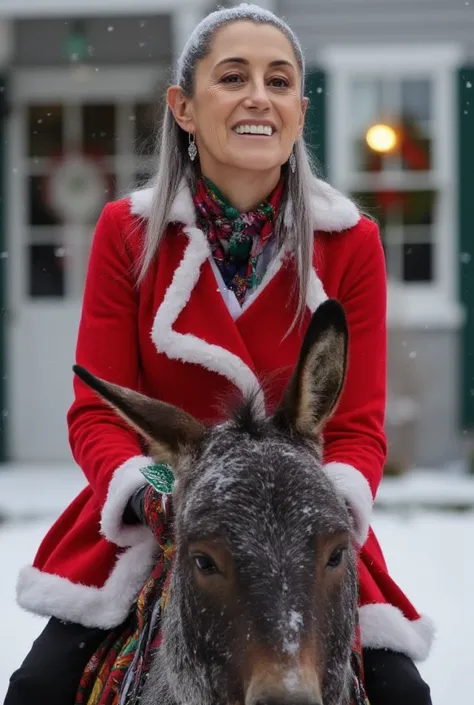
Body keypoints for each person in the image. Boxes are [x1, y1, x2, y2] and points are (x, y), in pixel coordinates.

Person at [4, 4, 434, 705]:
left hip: (297, 523)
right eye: (232, 77)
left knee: (401, 692)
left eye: (278, 79)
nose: (258, 96)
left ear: (299, 106)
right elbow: (96, 411)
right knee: (40, 687)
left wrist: (320, 500)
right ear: (183, 106)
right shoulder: (128, 231)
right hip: (163, 513)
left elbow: (355, 427)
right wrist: (155, 491)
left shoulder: (351, 241)